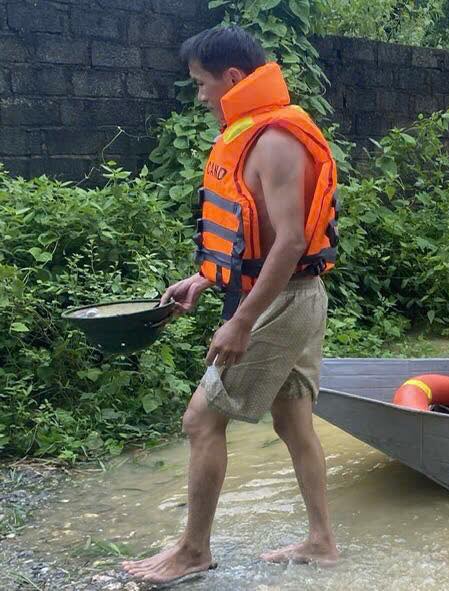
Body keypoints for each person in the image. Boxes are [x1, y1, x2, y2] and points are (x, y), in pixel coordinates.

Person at [122, 26, 340, 585]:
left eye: (201, 85)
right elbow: (257, 234)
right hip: (290, 297)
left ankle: (193, 551)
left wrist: (242, 320)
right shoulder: (253, 134)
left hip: (280, 304)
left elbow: (290, 240)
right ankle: (321, 541)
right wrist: (204, 277)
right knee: (294, 422)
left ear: (233, 79)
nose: (198, 97)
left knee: (200, 420)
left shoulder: (272, 140)